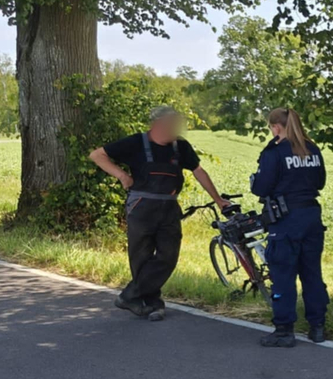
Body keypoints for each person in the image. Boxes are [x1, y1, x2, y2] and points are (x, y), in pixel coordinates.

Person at [89, 106, 231, 321]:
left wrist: (218, 199)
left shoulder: (181, 146)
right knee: (141, 257)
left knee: (168, 256)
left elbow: (199, 171)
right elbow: (97, 155)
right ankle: (152, 303)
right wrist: (122, 176)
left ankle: (129, 296)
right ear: (158, 124)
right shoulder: (136, 142)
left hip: (169, 207)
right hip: (141, 206)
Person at [252, 107, 329, 347]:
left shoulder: (274, 153)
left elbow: (261, 188)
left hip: (285, 220)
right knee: (312, 273)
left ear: (276, 127)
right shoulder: (312, 149)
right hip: (311, 216)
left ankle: (284, 330)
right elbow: (320, 182)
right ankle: (318, 327)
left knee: (283, 275)